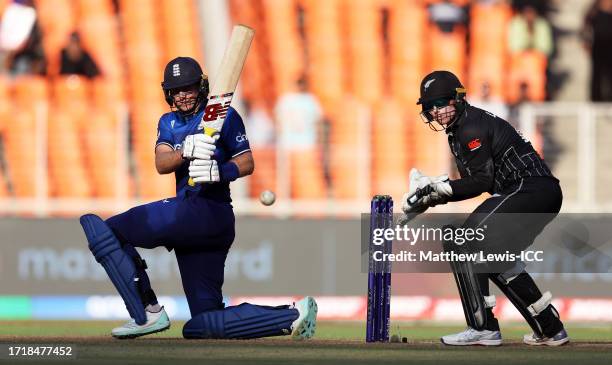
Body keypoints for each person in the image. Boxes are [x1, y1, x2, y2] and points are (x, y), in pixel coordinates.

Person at [79, 56, 317, 339]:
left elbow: (246, 162)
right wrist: (185, 151)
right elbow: (161, 163)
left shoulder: (223, 115)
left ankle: (147, 313)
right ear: (168, 93)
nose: (182, 95)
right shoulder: (168, 122)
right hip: (194, 222)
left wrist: (220, 170)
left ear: (201, 86)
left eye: (188, 88)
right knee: (202, 325)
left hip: (207, 211)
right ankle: (294, 314)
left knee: (106, 230)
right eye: (176, 90)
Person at [402, 70, 569, 346]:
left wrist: (436, 191)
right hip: (535, 193)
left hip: (528, 189)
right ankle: (550, 328)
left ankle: (482, 327)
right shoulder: (459, 130)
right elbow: (471, 183)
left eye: (441, 103)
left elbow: (482, 181)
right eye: (430, 107)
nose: (436, 111)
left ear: (458, 98)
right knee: (496, 258)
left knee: (462, 239)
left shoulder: (471, 127)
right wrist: (433, 195)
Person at [582, 0, 612, 102]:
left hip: (610, 47)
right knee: (596, 73)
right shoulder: (594, 10)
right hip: (598, 46)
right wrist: (586, 41)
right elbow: (586, 26)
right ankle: (595, 98)